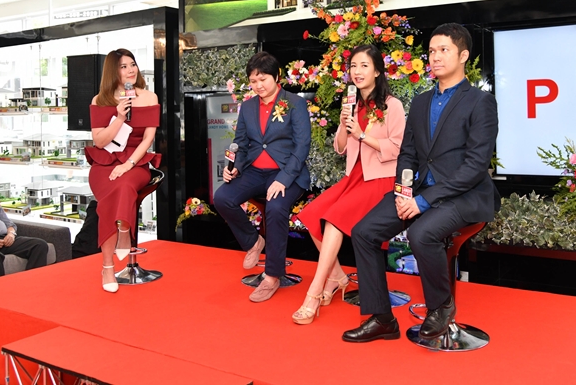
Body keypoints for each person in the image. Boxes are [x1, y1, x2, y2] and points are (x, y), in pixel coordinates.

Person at [342, 23, 499, 343]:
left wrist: (422, 202)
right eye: (431, 51)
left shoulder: (480, 102)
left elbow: (475, 166)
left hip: (464, 194)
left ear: (463, 55)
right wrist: (403, 193)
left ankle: (441, 307)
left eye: (444, 50)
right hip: (417, 191)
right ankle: (382, 318)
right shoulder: (422, 102)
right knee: (364, 232)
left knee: (421, 233)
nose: (435, 57)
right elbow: (408, 154)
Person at [292, 45, 404, 324]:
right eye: (353, 66)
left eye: (364, 65)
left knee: (334, 220)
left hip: (380, 178)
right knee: (311, 214)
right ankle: (337, 277)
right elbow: (340, 147)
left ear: (377, 71)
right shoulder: (352, 104)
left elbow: (398, 147)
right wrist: (344, 124)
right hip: (354, 176)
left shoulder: (392, 105)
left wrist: (364, 135)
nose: (357, 71)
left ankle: (314, 292)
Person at [213, 52, 311, 303]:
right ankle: (253, 241)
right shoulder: (248, 107)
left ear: (277, 76)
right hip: (255, 171)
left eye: (263, 79)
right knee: (222, 197)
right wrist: (235, 167)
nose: (258, 86)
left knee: (276, 207)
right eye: (253, 81)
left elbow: (302, 146)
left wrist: (284, 179)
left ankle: (272, 276)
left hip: (287, 172)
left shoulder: (295, 103)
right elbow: (241, 143)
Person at [85, 48, 160, 293]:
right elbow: (99, 142)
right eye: (123, 66)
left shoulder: (149, 97)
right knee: (111, 193)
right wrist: (119, 117)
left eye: (132, 64)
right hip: (104, 162)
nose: (130, 70)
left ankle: (124, 228)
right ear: (113, 71)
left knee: (125, 184)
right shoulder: (99, 100)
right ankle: (107, 266)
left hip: (135, 162)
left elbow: (148, 139)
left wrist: (128, 164)